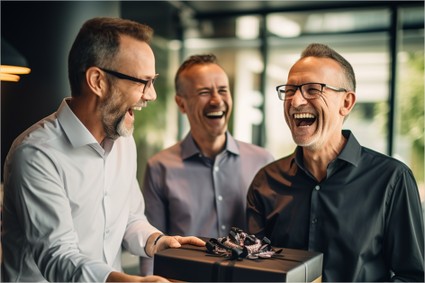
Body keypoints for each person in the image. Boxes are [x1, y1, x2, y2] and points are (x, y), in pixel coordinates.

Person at [1, 17, 204, 282]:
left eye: (152, 81)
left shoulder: (124, 141)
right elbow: (58, 257)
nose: (151, 95)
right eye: (143, 82)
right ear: (97, 81)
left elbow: (129, 219)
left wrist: (157, 241)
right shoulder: (36, 154)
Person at [246, 43, 424, 282]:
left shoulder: (392, 179)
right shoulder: (265, 182)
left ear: (346, 103)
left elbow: (413, 276)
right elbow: (252, 270)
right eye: (290, 90)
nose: (296, 101)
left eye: (312, 89)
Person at [139, 54, 274, 275]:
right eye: (204, 92)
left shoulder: (263, 162)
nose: (216, 100)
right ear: (181, 103)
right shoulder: (159, 167)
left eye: (222, 90)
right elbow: (151, 246)